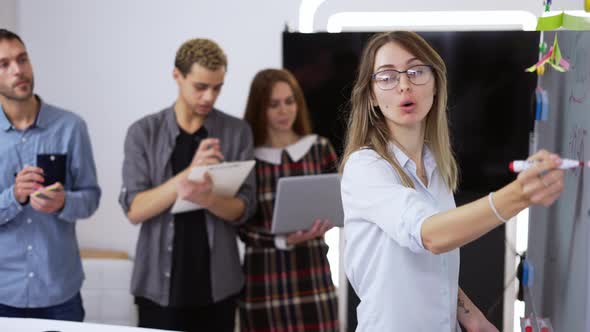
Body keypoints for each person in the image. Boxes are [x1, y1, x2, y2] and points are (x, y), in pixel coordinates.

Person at [339, 31, 565, 331]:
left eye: (416, 71)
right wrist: (520, 195)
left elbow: (431, 263)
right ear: (372, 97)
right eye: (387, 77)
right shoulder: (365, 167)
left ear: (435, 85)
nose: (404, 85)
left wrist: (471, 316)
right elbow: (430, 236)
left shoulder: (436, 165)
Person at [119, 38, 255, 332]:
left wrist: (208, 198)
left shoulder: (237, 132)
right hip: (158, 286)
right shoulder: (143, 132)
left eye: (217, 87)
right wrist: (188, 176)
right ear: (176, 76)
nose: (209, 96)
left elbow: (243, 209)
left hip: (219, 286)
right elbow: (134, 210)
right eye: (200, 86)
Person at [0, 29, 101, 321]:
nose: (18, 70)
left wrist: (64, 203)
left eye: (22, 59)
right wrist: (14, 196)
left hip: (61, 294)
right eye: (4, 64)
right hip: (4, 294)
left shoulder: (71, 127)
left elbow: (91, 197)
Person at [239, 68, 339, 331]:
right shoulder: (247, 157)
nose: (284, 111)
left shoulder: (319, 148)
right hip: (263, 282)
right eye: (273, 105)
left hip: (313, 276)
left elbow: (341, 202)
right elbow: (239, 226)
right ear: (259, 109)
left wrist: (329, 220)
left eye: (289, 101)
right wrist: (283, 239)